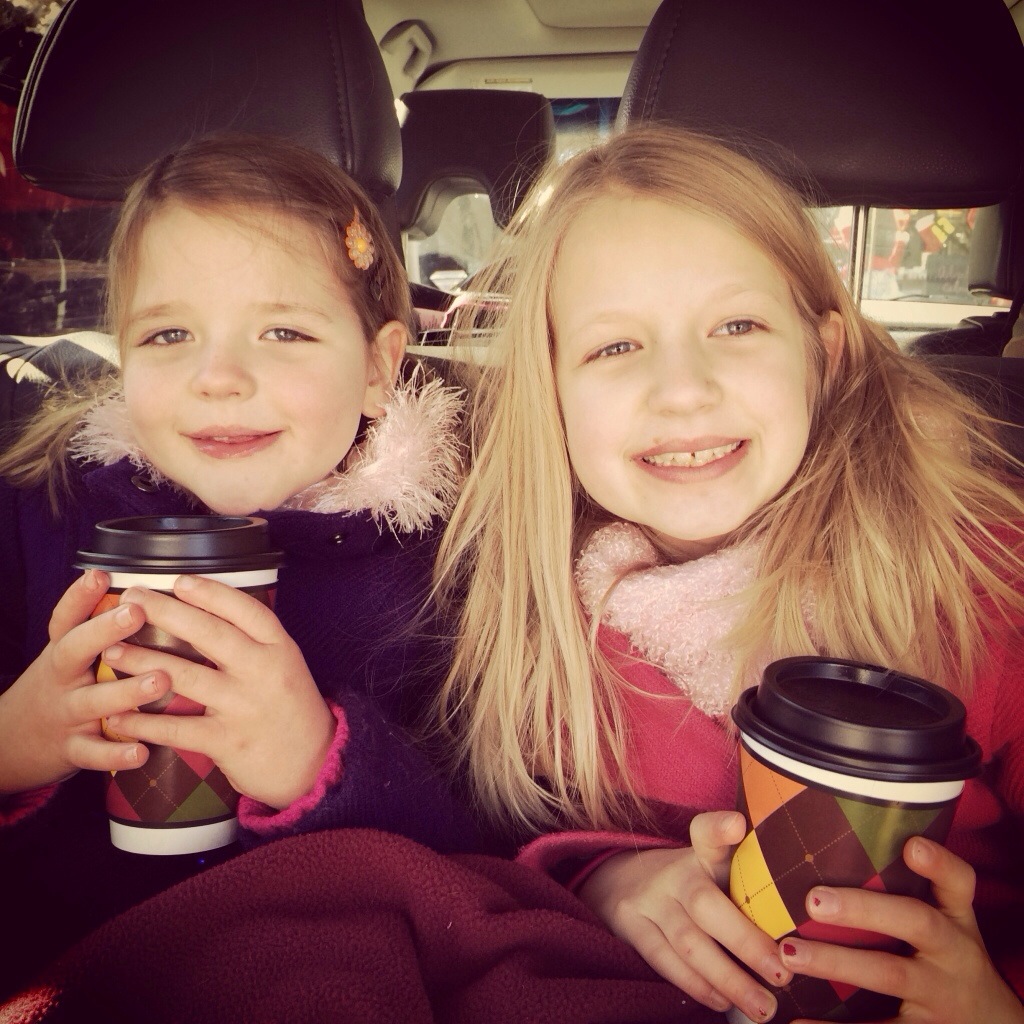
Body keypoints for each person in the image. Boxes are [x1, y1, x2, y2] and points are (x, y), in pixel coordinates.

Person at [434, 125, 1024, 1024]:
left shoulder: (977, 580)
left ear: (823, 356)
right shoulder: (539, 606)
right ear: (550, 392)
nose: (683, 390)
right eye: (614, 347)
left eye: (737, 326)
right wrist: (606, 880)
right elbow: (519, 834)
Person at [0, 132, 480, 997]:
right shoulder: (38, 509)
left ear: (378, 367)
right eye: (169, 333)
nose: (218, 377)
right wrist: (14, 744)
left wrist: (321, 763)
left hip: (329, 966)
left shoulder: (445, 563)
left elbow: (492, 848)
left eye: (284, 331)